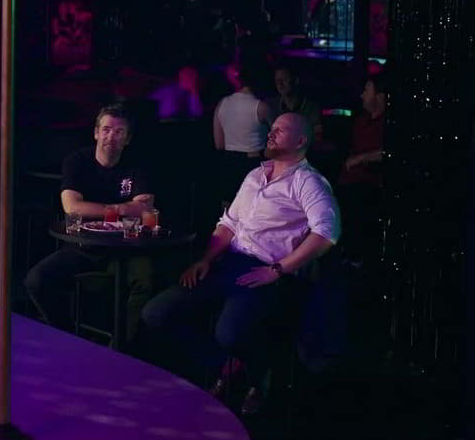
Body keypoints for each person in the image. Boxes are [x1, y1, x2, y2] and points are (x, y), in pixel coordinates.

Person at [141, 113, 339, 416]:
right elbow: (229, 223)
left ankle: (258, 376)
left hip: (264, 270)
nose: (270, 134)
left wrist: (278, 269)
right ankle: (227, 365)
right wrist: (205, 259)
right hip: (228, 263)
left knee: (229, 333)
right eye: (271, 128)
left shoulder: (309, 182)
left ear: (300, 141)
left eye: (280, 130)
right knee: (156, 313)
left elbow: (327, 234)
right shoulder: (255, 175)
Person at [23, 104, 156, 345]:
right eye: (106, 130)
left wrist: (98, 209)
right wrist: (120, 208)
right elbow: (72, 207)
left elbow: (145, 208)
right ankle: (69, 339)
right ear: (96, 133)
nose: (111, 137)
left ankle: (121, 349)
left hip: (125, 249)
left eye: (119, 132)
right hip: (84, 246)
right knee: (36, 280)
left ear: (127, 139)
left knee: (146, 281)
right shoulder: (77, 161)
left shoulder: (137, 165)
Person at [336, 70, 386, 264]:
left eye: (367, 90)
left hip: (369, 184)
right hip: (348, 181)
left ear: (380, 96)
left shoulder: (387, 124)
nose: (362, 95)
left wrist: (362, 159)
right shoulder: (360, 121)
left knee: (359, 201)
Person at [212, 61, 275, 207]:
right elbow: (280, 139)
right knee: (256, 211)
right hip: (255, 164)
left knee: (228, 213)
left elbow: (219, 144)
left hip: (229, 164)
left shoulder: (222, 104)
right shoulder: (262, 107)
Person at [271, 63, 322, 137]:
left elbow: (318, 134)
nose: (280, 84)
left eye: (284, 79)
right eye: (277, 81)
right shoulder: (272, 106)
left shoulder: (311, 107)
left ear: (296, 80)